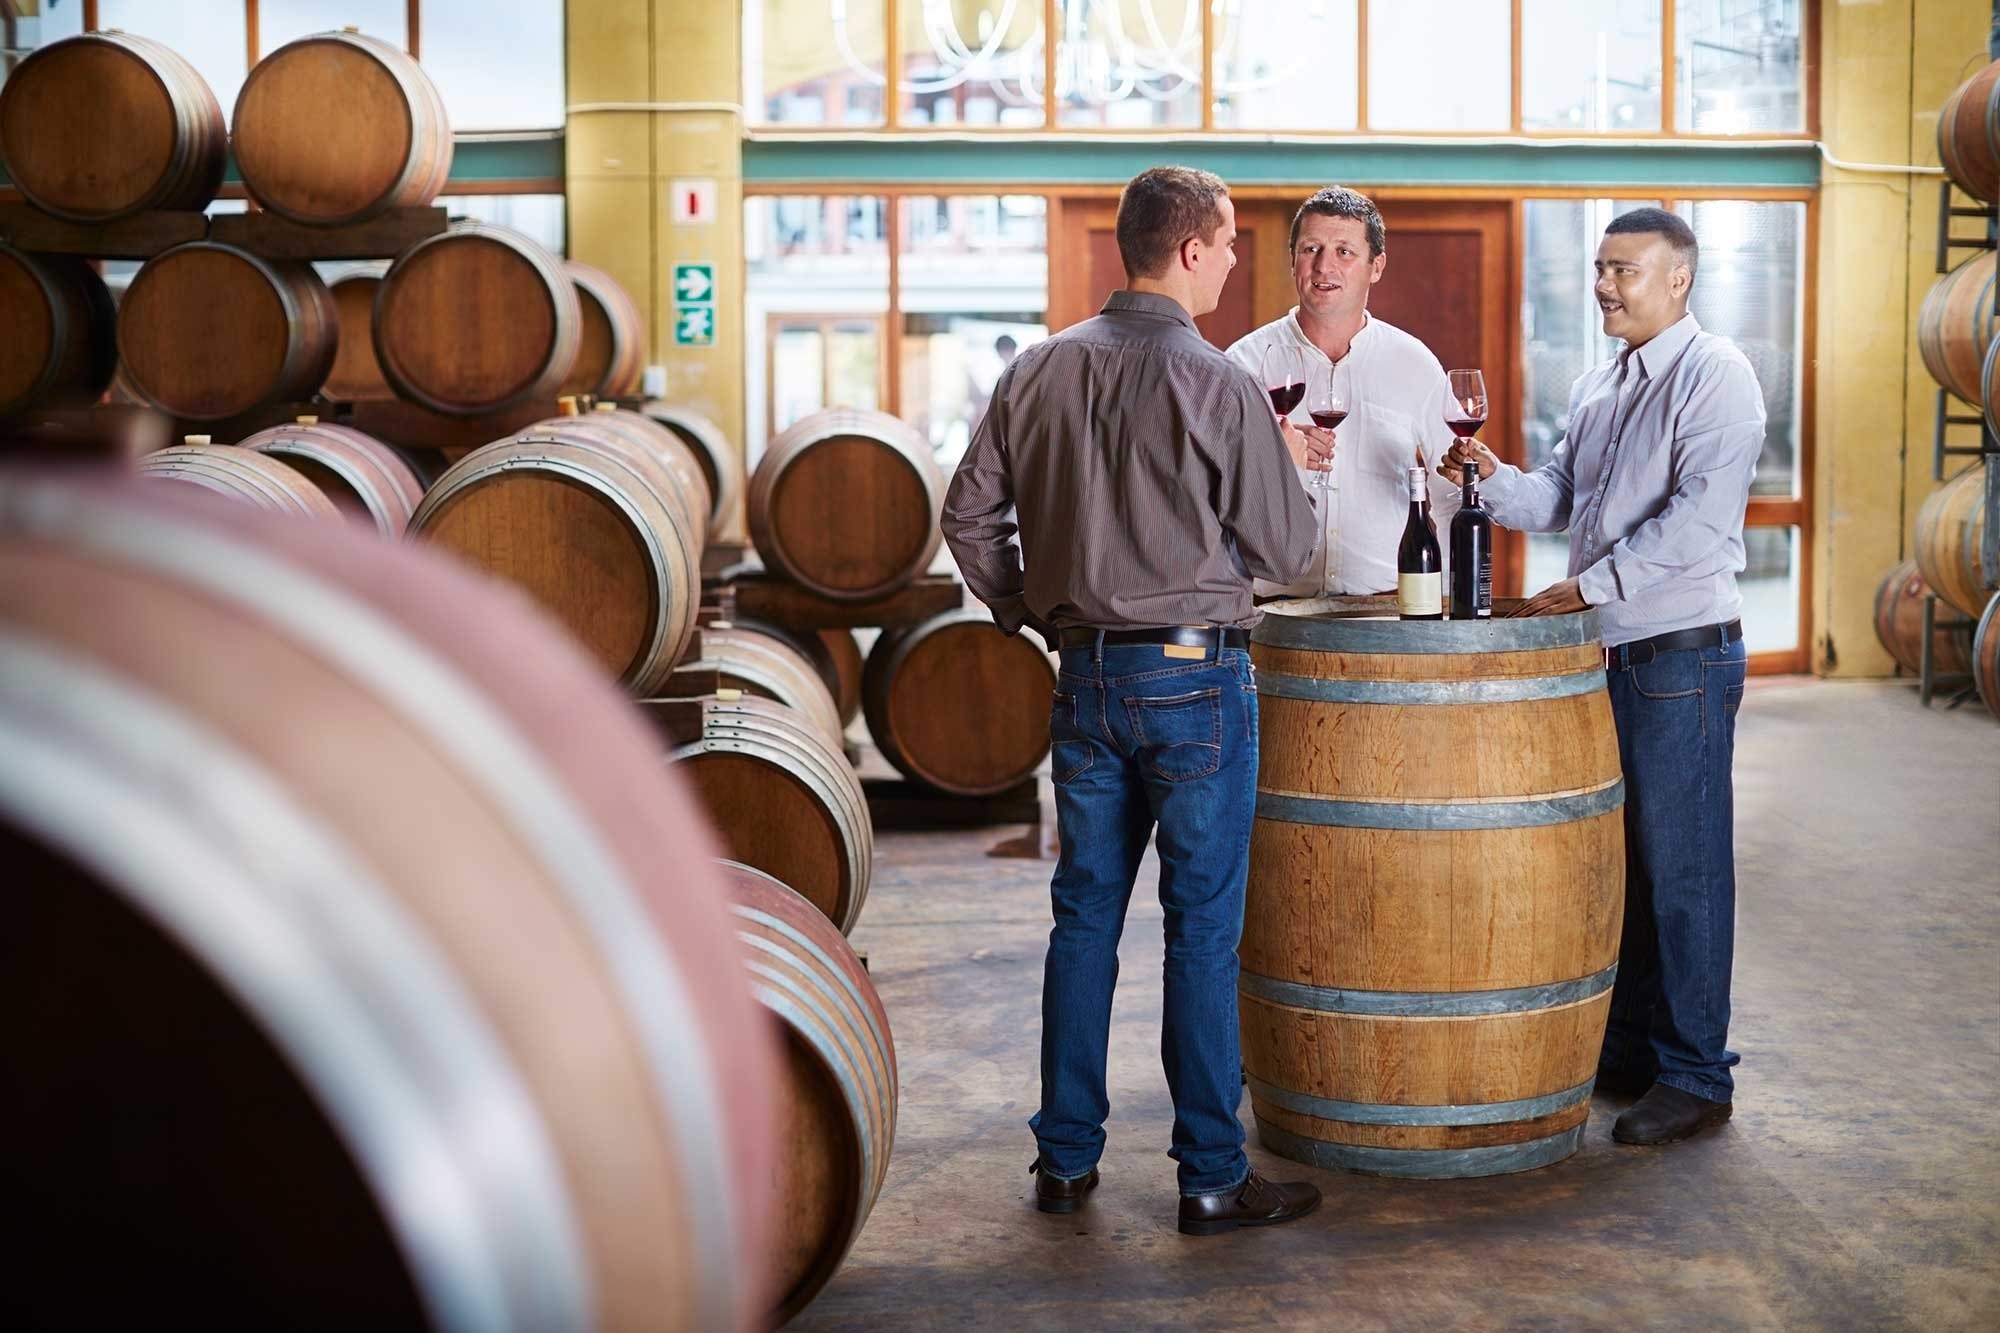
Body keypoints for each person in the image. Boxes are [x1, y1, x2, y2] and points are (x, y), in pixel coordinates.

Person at [941, 165, 1331, 1234]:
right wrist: (1285, 466)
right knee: (1201, 933)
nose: (1236, 263)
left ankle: (1064, 1161)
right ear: (1193, 249)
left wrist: (1027, 608)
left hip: (1086, 678)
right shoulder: (1221, 385)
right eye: (1231, 245)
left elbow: (967, 517)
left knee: (1082, 921)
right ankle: (1209, 1173)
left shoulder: (1038, 368)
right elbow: (1290, 552)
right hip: (1197, 679)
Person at [1440, 207, 1763, 1147]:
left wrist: (1589, 584)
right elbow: (1557, 497)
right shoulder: (1600, 385)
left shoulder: (1718, 377)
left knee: (1686, 868)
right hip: (1607, 655)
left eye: (1625, 270)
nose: (1605, 286)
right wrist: (1492, 476)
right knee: (1621, 862)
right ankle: (1629, 1051)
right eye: (1599, 268)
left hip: (1681, 655)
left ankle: (1699, 1072)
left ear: (1679, 280)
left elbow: (1699, 523)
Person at [1227, 187, 1459, 598]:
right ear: (1292, 260)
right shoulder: (1243, 363)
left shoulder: (1415, 363)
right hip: (1269, 613)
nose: (1323, 267)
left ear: (1376, 266)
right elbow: (1211, 496)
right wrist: (1270, 452)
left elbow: (1450, 497)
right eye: (1310, 249)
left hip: (1386, 612)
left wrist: (1445, 609)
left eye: (1344, 252)